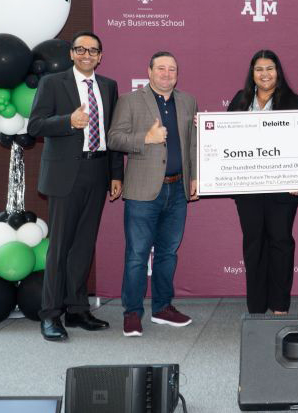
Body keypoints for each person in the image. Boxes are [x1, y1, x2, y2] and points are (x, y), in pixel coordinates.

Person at [28, 31, 123, 342]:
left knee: (83, 245)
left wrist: (115, 173)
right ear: (71, 54)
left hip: (97, 170)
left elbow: (112, 134)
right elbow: (36, 126)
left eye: (93, 51)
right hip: (65, 173)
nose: (87, 55)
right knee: (59, 248)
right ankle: (50, 314)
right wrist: (68, 121)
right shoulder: (52, 83)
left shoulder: (108, 86)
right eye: (80, 49)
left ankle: (77, 309)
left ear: (100, 56)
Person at [107, 51, 198, 337]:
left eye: (172, 69)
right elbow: (114, 138)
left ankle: (162, 308)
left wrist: (195, 177)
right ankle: (132, 313)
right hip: (143, 191)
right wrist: (145, 138)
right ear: (149, 72)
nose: (167, 74)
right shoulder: (130, 101)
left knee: (168, 253)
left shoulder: (188, 101)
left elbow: (193, 144)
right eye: (161, 68)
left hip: (178, 189)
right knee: (136, 255)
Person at [228, 50, 298, 314]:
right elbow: (226, 139)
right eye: (259, 69)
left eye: (270, 68)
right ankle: (257, 306)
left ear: (278, 71)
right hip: (248, 188)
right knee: (253, 243)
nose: (265, 74)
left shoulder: (296, 103)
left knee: (281, 242)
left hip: (283, 188)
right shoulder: (239, 102)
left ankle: (280, 305)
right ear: (252, 73)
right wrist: (208, 129)